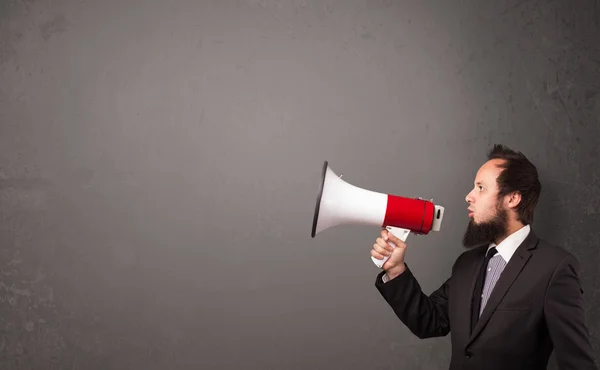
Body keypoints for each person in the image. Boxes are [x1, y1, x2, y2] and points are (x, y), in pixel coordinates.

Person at [371, 144, 597, 370]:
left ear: (512, 199)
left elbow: (577, 363)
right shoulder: (466, 264)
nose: (468, 196)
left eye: (481, 187)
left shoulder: (554, 267)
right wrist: (396, 269)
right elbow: (429, 322)